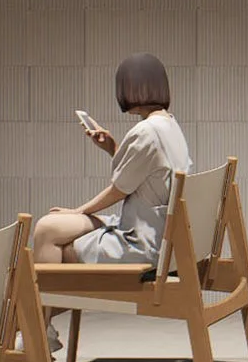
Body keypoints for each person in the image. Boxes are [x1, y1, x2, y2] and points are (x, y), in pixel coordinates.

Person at [31, 53, 194, 268]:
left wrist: (78, 211)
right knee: (48, 227)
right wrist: (112, 148)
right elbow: (142, 171)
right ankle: (46, 291)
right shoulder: (169, 125)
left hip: (141, 242)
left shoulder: (147, 131)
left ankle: (47, 291)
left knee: (49, 233)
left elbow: (119, 190)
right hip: (155, 231)